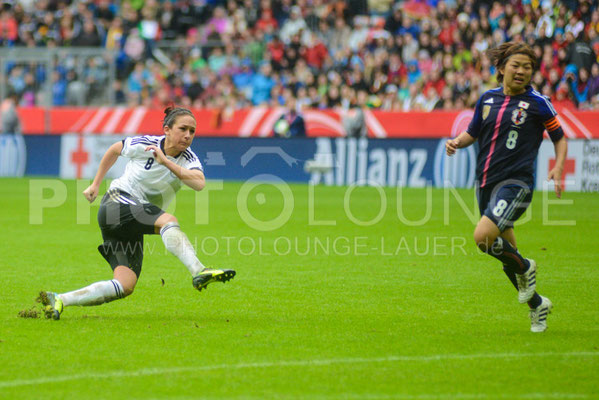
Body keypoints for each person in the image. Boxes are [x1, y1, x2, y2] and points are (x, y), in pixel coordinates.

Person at [40, 107, 235, 320]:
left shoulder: (188, 158)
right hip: (117, 202)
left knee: (125, 285)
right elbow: (115, 149)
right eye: (183, 129)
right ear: (167, 130)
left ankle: (60, 299)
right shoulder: (144, 144)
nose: (188, 135)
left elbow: (199, 184)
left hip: (130, 222)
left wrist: (166, 162)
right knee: (168, 220)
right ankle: (199, 270)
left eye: (192, 131)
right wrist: (96, 184)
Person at [445, 42, 568, 333]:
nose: (522, 71)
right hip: (485, 183)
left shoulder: (538, 103)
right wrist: (456, 142)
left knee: (483, 237)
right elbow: (472, 132)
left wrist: (559, 167)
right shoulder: (487, 99)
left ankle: (527, 266)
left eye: (527, 67)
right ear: (501, 69)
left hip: (516, 183)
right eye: (516, 65)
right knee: (506, 253)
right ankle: (538, 305)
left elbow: (560, 137)